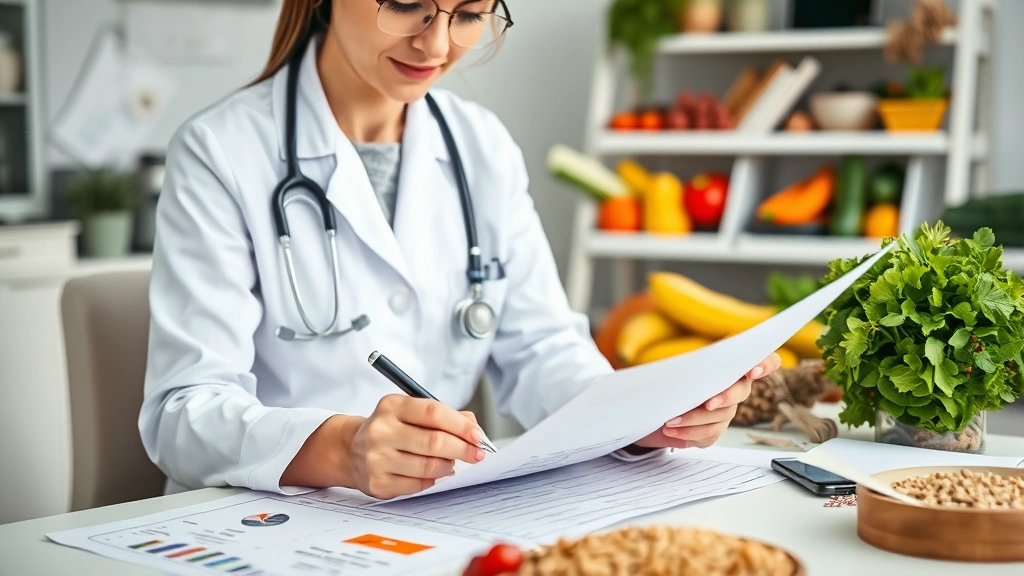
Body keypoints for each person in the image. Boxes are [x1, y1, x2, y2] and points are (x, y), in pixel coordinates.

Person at [140, 0, 781, 501]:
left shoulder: (481, 146)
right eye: (405, 4)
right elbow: (182, 413)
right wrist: (343, 448)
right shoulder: (219, 151)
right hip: (259, 525)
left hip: (435, 520)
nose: (438, 44)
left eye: (470, 14)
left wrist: (635, 421)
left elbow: (541, 353)